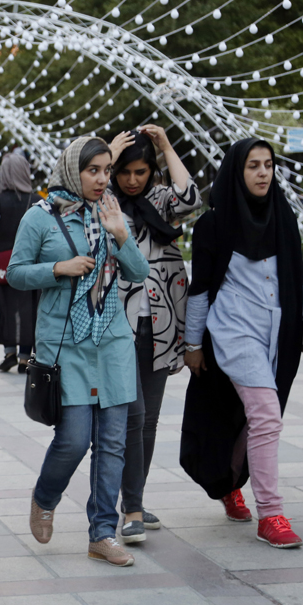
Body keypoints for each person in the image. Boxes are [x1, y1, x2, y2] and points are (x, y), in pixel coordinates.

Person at [7, 136, 149, 568]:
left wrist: (121, 235)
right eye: (94, 170)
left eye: (107, 170)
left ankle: (102, 533)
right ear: (73, 170)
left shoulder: (110, 212)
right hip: (65, 345)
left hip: (113, 344)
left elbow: (139, 273)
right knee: (72, 439)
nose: (103, 179)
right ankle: (45, 496)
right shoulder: (40, 217)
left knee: (112, 443)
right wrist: (58, 269)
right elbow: (14, 274)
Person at [181, 138, 303, 549]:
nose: (262, 172)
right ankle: (271, 515)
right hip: (235, 332)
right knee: (267, 415)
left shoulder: (283, 216)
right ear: (236, 172)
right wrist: (192, 345)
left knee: (253, 417)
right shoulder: (214, 225)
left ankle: (228, 482)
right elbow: (201, 290)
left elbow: (296, 280)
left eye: (268, 165)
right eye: (253, 165)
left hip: (278, 332)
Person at [106, 125, 201, 545]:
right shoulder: (102, 203)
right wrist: (105, 154)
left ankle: (134, 501)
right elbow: (67, 198)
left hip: (161, 327)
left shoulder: (161, 202)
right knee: (132, 418)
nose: (131, 180)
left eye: (140, 171)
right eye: (123, 171)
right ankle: (132, 508)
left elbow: (191, 198)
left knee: (148, 422)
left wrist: (165, 144)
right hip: (116, 327)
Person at [0, 152, 40, 373]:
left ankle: (9, 352)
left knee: (7, 308)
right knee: (29, 309)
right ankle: (26, 356)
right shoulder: (37, 200)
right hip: (32, 264)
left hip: (4, 267)